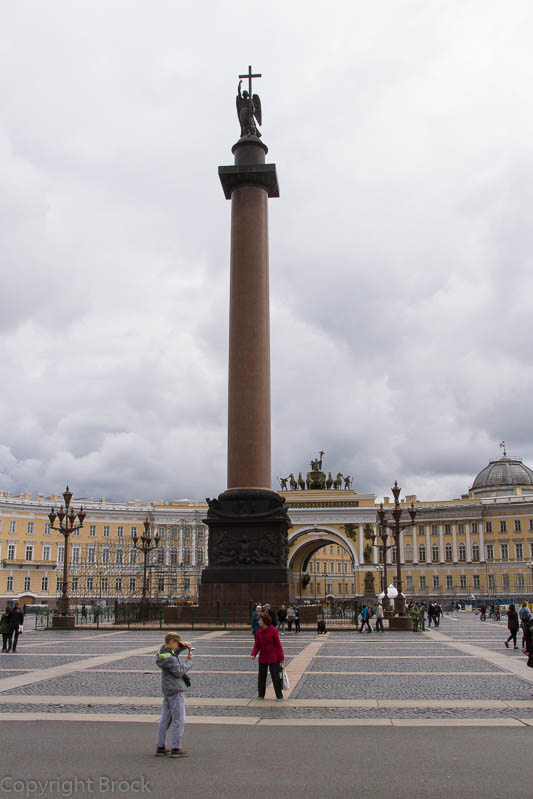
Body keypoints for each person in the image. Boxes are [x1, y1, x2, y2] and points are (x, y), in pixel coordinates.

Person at [155, 631, 193, 757]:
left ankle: (160, 746)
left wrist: (183, 646)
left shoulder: (162, 652)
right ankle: (176, 747)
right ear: (171, 642)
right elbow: (179, 671)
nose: (178, 647)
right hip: (175, 689)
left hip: (167, 689)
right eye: (177, 644)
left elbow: (173, 651)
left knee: (165, 719)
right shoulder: (170, 658)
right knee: (179, 719)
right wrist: (189, 661)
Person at [251, 613, 284, 700]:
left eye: (260, 620)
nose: (258, 622)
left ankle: (279, 695)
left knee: (275, 677)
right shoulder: (259, 631)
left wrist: (281, 658)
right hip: (263, 658)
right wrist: (253, 654)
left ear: (265, 621)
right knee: (261, 677)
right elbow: (257, 645)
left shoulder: (273, 630)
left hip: (273, 657)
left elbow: (278, 645)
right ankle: (261, 694)